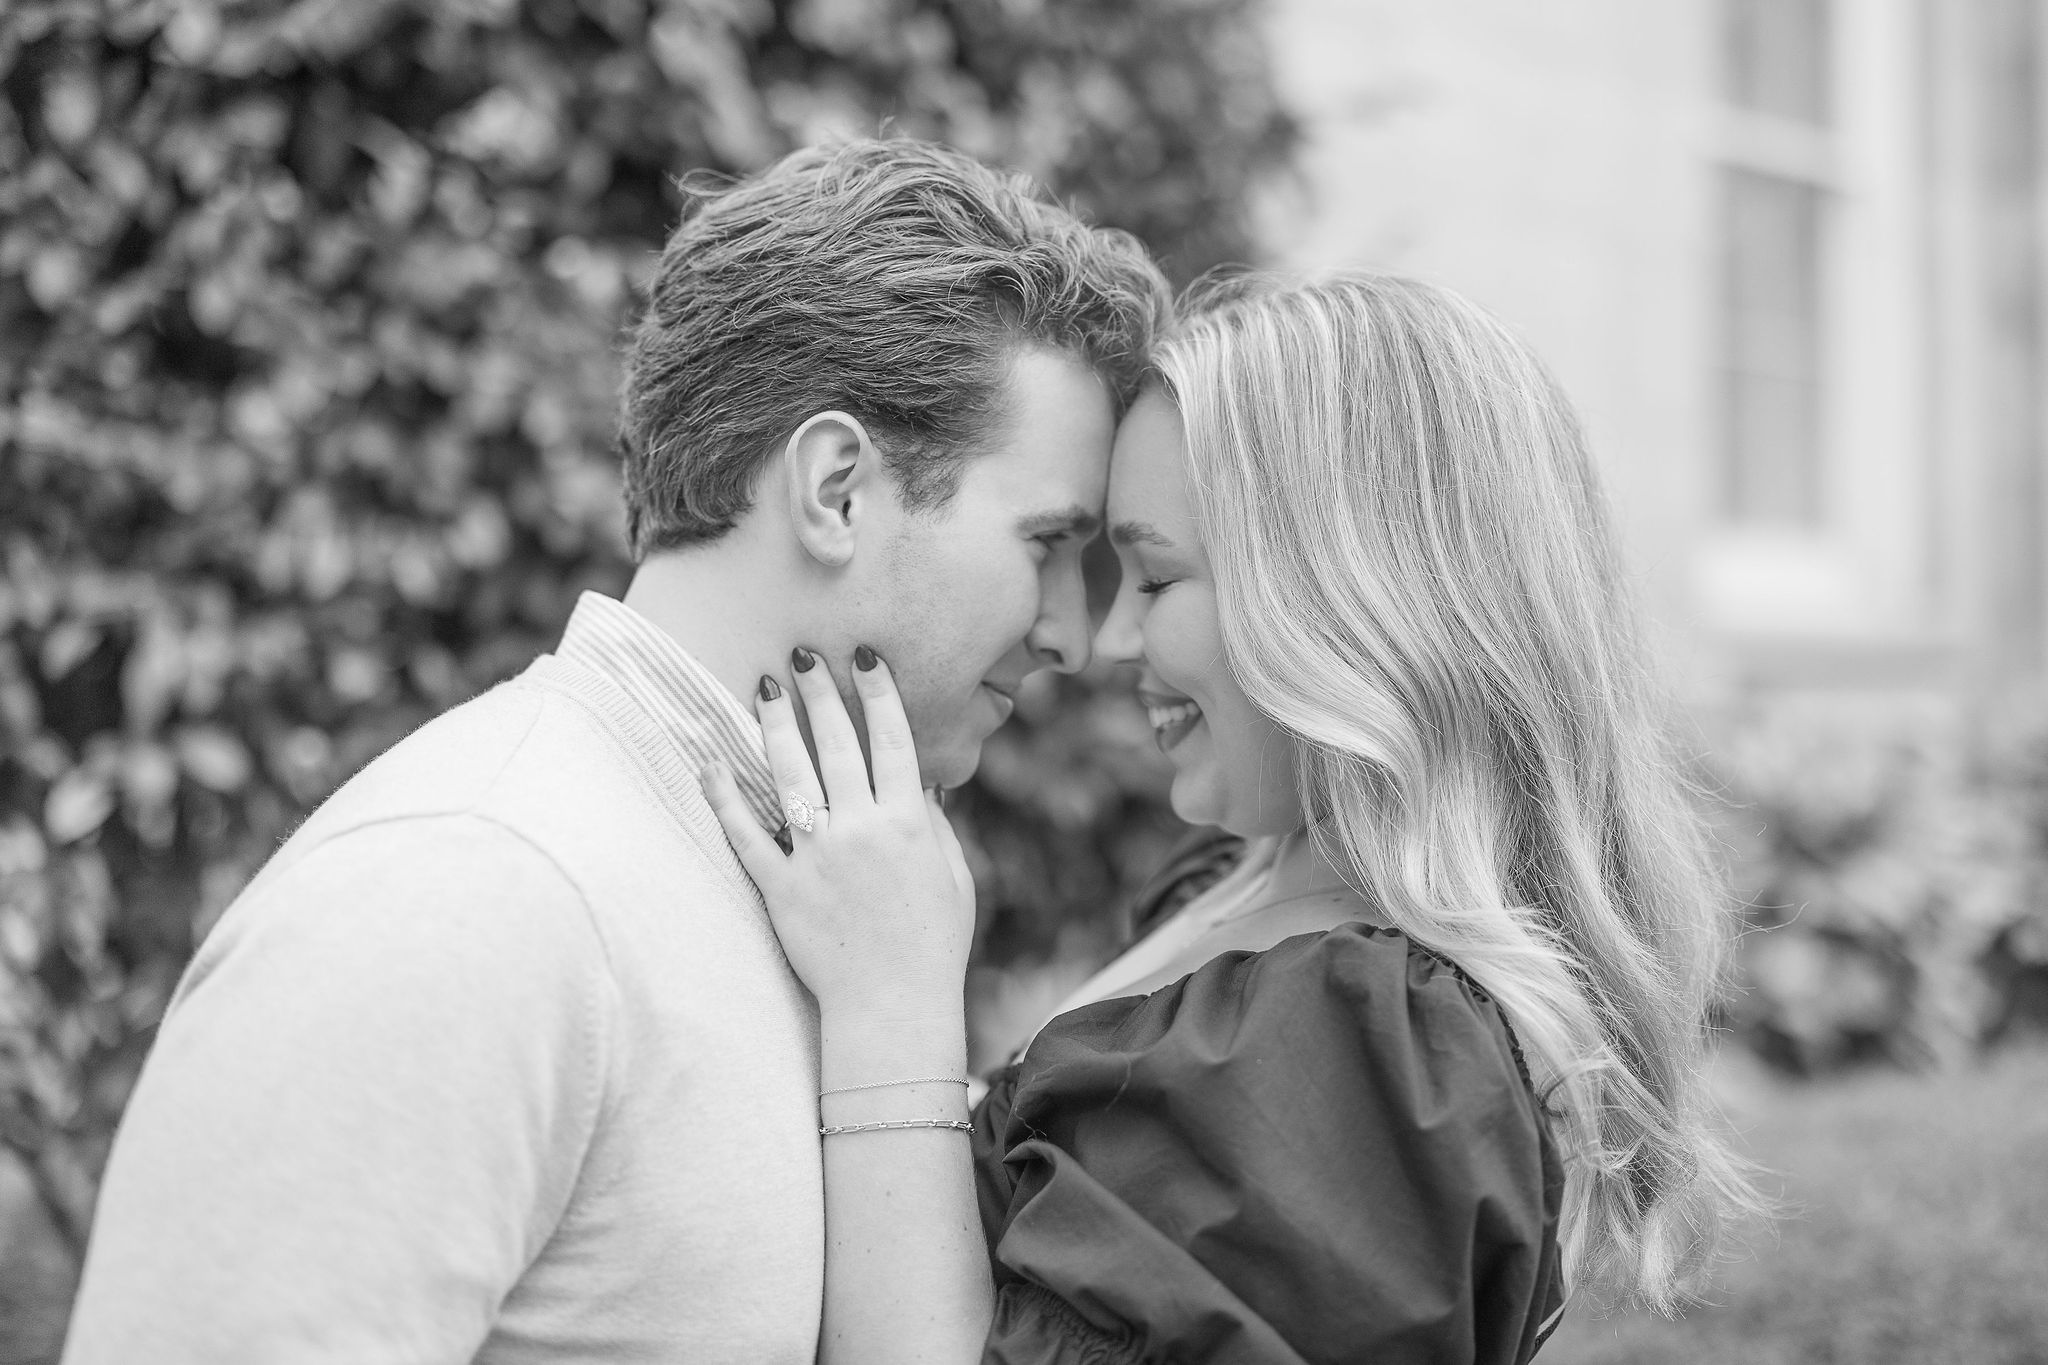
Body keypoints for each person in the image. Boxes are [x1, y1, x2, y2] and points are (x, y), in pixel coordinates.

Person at [59, 139, 1169, 1364]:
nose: (1072, 634)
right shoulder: (467, 893)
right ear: (838, 489)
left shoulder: (841, 908)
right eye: (1045, 545)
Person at [705, 272, 1757, 1363]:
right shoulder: (1245, 887)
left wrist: (893, 1008)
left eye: (1155, 581)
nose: (1106, 643)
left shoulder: (1357, 1048)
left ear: (1342, 605)